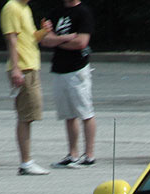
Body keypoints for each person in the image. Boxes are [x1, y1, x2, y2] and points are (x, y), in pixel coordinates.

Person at [40, 0, 96, 168]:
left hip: (77, 69)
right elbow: (44, 40)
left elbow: (81, 42)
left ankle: (89, 155)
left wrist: (56, 41)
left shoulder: (83, 12)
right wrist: (65, 38)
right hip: (59, 69)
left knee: (85, 112)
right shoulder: (55, 13)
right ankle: (73, 154)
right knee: (68, 115)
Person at [0, 0, 54, 175]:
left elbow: (30, 39)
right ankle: (26, 163)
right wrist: (16, 68)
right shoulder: (12, 7)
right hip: (23, 68)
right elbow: (12, 40)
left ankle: (27, 162)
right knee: (25, 116)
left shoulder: (25, 8)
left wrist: (43, 32)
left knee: (29, 115)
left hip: (31, 66)